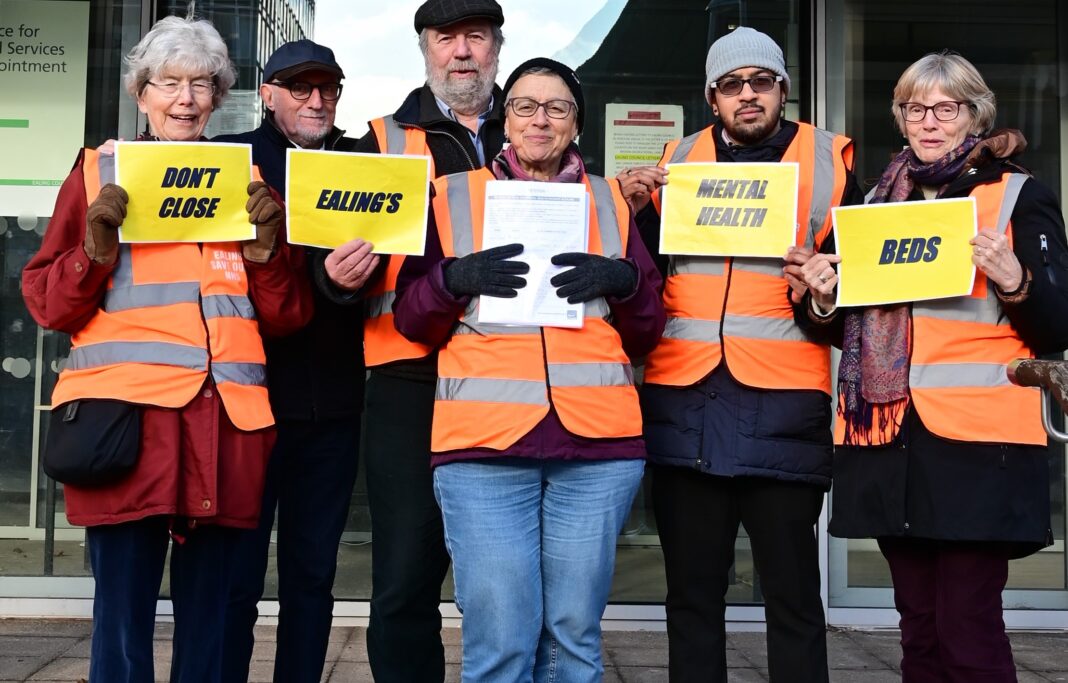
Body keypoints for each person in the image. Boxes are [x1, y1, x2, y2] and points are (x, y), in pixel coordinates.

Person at [20, 15, 312, 683]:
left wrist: (269, 254)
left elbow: (288, 316)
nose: (185, 98)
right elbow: (46, 302)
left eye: (202, 84)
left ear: (219, 96)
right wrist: (92, 255)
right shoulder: (97, 173)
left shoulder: (248, 183)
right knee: (121, 622)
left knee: (212, 621)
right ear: (140, 92)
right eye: (169, 83)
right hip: (126, 434)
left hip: (226, 433)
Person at [792, 52, 1068, 682]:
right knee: (917, 631)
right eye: (917, 108)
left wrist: (1015, 278)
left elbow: (1059, 325)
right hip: (889, 442)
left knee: (967, 632)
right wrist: (820, 291)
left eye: (947, 108)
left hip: (979, 447)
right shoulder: (872, 203)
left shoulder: (1018, 195)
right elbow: (827, 324)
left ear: (975, 114)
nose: (931, 121)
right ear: (902, 117)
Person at [392, 56, 665, 683]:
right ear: (504, 120)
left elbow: (649, 330)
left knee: (574, 639)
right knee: (502, 642)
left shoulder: (611, 203)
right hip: (483, 446)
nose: (540, 120)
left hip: (597, 447)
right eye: (525, 106)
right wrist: (451, 280)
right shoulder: (451, 197)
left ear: (576, 125)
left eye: (557, 108)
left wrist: (624, 282)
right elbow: (410, 320)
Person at [621, 27, 863, 683]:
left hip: (785, 406)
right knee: (692, 598)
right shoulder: (677, 161)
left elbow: (858, 308)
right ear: (712, 96)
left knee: (792, 599)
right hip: (685, 402)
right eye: (732, 84)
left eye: (761, 81)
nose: (747, 94)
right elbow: (637, 278)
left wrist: (822, 294)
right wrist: (629, 209)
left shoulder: (831, 163)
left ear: (783, 88)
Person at [318, 1, 506, 679]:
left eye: (475, 37)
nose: (461, 51)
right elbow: (329, 259)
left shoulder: (542, 130)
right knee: (403, 576)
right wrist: (336, 278)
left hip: (513, 380)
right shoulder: (377, 142)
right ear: (425, 49)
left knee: (507, 580)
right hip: (409, 383)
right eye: (446, 37)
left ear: (496, 47)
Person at [215, 40, 374, 683]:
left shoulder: (362, 166)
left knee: (312, 577)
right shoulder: (231, 163)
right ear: (269, 92)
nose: (317, 99)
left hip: (333, 404)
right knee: (236, 577)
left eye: (328, 88)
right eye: (301, 87)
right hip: (246, 403)